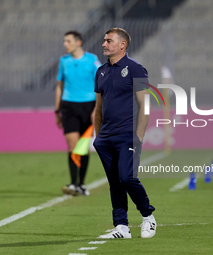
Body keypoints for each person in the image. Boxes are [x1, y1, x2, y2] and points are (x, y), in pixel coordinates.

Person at [93, 28, 156, 238]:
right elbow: (99, 108)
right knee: (114, 183)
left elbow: (144, 106)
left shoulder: (136, 69)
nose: (104, 44)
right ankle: (121, 226)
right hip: (105, 138)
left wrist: (138, 137)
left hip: (127, 135)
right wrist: (98, 137)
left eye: (108, 40)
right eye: (104, 40)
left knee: (127, 178)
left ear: (122, 45)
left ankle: (148, 216)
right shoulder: (101, 71)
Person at [55, 31, 101, 196]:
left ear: (78, 42)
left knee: (83, 148)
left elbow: (101, 86)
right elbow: (60, 85)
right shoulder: (63, 61)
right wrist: (57, 109)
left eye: (68, 41)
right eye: (64, 41)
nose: (65, 44)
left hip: (88, 107)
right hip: (68, 107)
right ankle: (74, 183)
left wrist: (96, 109)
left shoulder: (92, 60)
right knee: (72, 145)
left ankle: (81, 184)